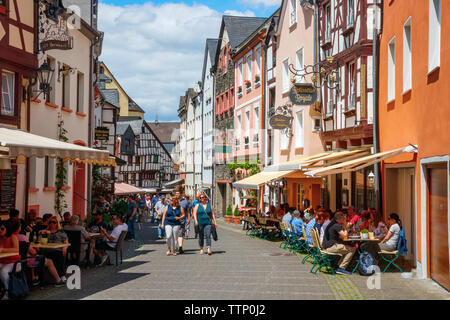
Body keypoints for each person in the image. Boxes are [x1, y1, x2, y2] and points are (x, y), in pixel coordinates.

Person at [11, 218, 65, 287]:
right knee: (48, 261)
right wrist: (36, 251)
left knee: (40, 257)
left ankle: (35, 278)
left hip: (16, 261)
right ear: (19, 228)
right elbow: (33, 253)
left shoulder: (7, 237)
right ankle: (58, 280)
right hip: (26, 261)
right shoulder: (23, 237)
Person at [39, 216, 69, 281]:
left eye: (54, 222)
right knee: (42, 255)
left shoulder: (61, 232)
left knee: (59, 254)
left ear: (57, 223)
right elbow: (40, 241)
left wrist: (65, 247)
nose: (52, 224)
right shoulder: (46, 232)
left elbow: (66, 242)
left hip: (58, 250)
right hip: (48, 250)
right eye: (50, 222)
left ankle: (61, 275)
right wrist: (42, 233)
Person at [0, 219, 21, 296]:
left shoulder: (13, 237)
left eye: (2, 228)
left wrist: (2, 250)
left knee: (3, 271)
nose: (0, 230)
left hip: (14, 262)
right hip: (2, 261)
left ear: (7, 228)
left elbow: (16, 250)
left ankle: (7, 291)